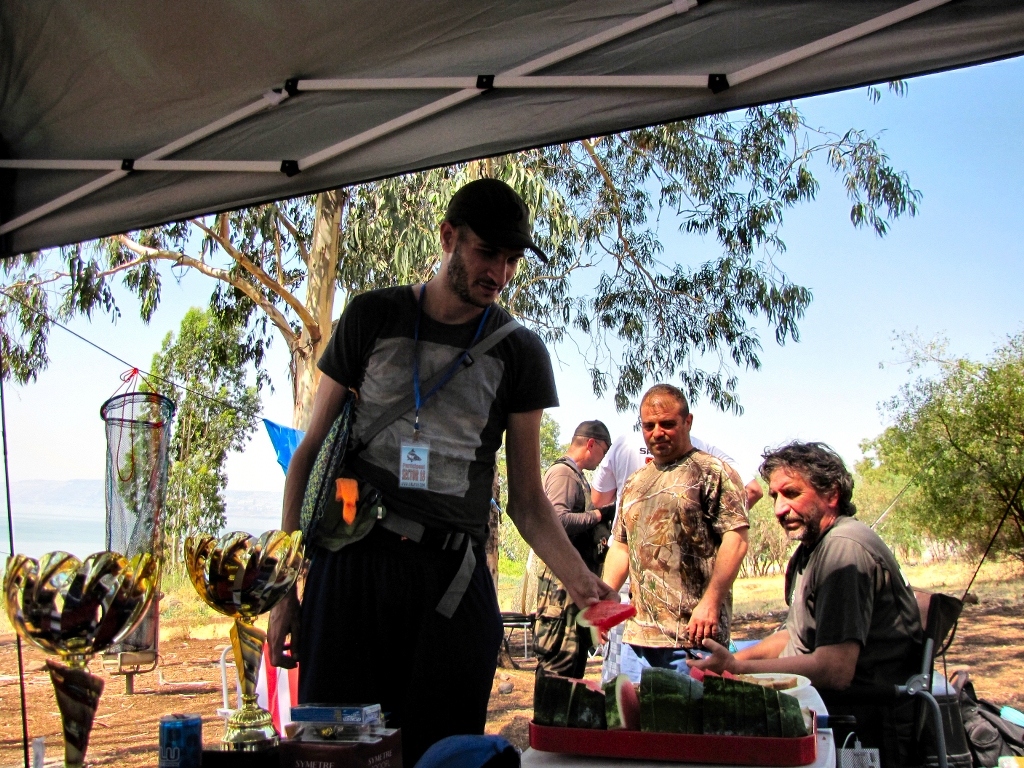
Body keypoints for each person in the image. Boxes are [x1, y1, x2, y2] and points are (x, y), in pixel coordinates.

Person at [267, 178, 615, 767]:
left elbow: (529, 502)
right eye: (487, 253)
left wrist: (585, 585)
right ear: (448, 237)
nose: (500, 274)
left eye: (511, 260)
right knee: (337, 754)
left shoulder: (518, 351)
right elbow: (307, 452)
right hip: (351, 570)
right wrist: (283, 591)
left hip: (449, 586)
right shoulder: (373, 315)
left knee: (445, 755)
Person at [688, 441, 923, 767]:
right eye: (774, 497)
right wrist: (730, 663)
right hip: (825, 707)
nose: (779, 509)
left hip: (863, 725)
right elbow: (792, 636)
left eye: (792, 494)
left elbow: (835, 669)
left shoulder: (843, 549)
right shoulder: (811, 550)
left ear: (832, 495)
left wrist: (740, 670)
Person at [602, 384, 749, 671]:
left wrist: (711, 602)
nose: (657, 432)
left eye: (667, 424)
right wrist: (606, 599)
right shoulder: (634, 483)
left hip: (692, 637)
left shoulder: (712, 473)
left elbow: (737, 539)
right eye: (649, 425)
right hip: (637, 638)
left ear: (688, 422)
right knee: (634, 715)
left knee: (687, 715)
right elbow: (621, 545)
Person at [534, 420, 613, 679]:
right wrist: (598, 516)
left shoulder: (576, 476)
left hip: (571, 588)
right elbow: (558, 520)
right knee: (559, 669)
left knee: (573, 670)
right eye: (605, 449)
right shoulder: (564, 474)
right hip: (560, 591)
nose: (604, 458)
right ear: (591, 443)